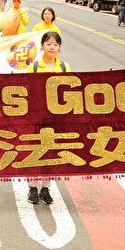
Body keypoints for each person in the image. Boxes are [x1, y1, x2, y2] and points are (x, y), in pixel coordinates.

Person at [26, 31, 70, 205]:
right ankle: (32, 188)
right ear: (42, 46)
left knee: (51, 152)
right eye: (49, 43)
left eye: (56, 44)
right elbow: (24, 90)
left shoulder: (64, 67)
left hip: (56, 118)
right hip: (37, 116)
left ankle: (46, 188)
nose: (52, 46)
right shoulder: (34, 67)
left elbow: (71, 91)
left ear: (59, 48)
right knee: (35, 151)